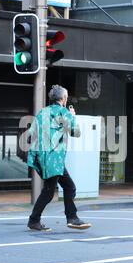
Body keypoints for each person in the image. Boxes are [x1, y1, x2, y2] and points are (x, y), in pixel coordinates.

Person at [26, 85, 92, 232]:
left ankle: (70, 217)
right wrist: (73, 116)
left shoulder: (42, 112)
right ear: (63, 99)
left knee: (66, 187)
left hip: (42, 157)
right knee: (51, 191)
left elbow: (30, 134)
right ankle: (38, 220)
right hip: (54, 159)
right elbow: (76, 132)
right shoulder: (63, 112)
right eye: (66, 96)